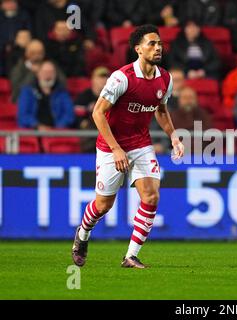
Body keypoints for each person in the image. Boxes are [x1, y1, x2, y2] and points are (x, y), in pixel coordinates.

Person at [71, 24, 185, 269]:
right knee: (103, 205)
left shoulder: (165, 78)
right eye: (151, 44)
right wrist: (115, 149)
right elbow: (98, 113)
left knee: (151, 196)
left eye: (160, 44)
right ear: (137, 49)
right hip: (111, 146)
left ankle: (131, 256)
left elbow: (161, 110)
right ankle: (82, 233)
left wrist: (174, 136)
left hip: (141, 144)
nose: (157, 48)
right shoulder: (122, 77)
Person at [17, 60, 74, 130]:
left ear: (55, 75)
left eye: (51, 72)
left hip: (57, 132)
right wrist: (37, 126)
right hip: (33, 131)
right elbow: (23, 115)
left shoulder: (62, 92)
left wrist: (56, 128)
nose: (48, 75)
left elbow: (69, 115)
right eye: (45, 72)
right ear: (38, 74)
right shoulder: (27, 92)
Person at [74, 66, 110, 153]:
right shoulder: (84, 96)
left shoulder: (111, 96)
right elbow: (78, 115)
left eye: (106, 77)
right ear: (93, 79)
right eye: (100, 77)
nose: (104, 80)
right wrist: (89, 110)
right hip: (90, 130)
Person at [0, 0, 31, 75]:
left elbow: (28, 33)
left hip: (19, 49)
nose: (10, 4)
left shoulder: (24, 15)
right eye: (7, 2)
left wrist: (14, 43)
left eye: (12, 2)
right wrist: (5, 45)